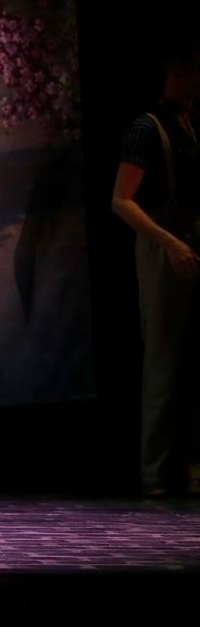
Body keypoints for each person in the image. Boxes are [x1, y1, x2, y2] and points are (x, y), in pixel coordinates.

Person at [113, 39, 200, 496]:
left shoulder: (190, 124)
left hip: (192, 234)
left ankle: (190, 466)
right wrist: (169, 242)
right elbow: (121, 200)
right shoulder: (148, 128)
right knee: (164, 360)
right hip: (162, 239)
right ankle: (156, 472)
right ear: (177, 72)